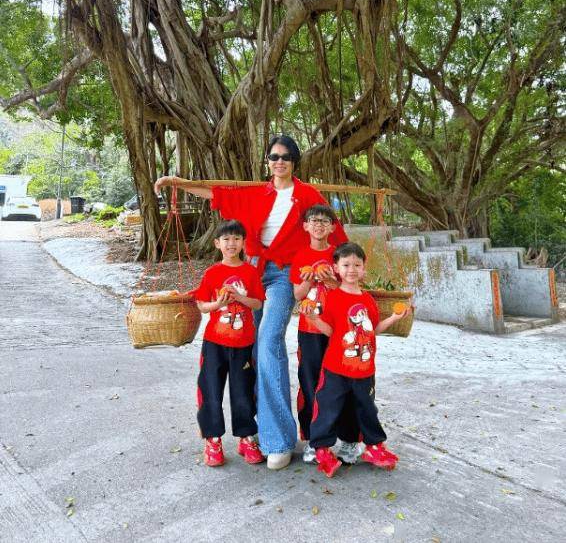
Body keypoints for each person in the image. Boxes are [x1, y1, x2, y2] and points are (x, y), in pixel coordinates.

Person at [155, 134, 347, 470]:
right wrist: (179, 183)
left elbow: (336, 237)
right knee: (250, 350)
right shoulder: (258, 193)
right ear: (267, 161)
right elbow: (217, 194)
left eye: (285, 157)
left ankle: (279, 440)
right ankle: (252, 432)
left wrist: (347, 277)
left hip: (285, 275)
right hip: (253, 272)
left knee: (269, 340)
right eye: (274, 157)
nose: (279, 162)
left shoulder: (308, 195)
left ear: (294, 161)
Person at [303, 242, 410, 478]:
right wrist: (314, 319)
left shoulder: (368, 300)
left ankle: (374, 446)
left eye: (357, 265)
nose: (351, 269)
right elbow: (330, 331)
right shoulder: (333, 297)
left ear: (363, 269)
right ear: (336, 268)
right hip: (336, 369)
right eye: (346, 265)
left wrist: (394, 317)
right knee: (328, 408)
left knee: (367, 409)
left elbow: (374, 329)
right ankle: (321, 448)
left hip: (364, 370)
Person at [289, 204, 360, 465]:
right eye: (314, 221)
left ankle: (349, 440)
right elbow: (298, 295)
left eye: (324, 221)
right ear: (306, 226)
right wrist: (310, 278)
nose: (319, 225)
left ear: (332, 227)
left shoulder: (340, 254)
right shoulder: (300, 255)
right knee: (311, 382)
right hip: (310, 329)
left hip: (340, 328)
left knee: (346, 381)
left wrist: (331, 281)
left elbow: (352, 288)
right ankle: (313, 439)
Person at [194, 219, 265, 467]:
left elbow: (258, 303)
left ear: (244, 243)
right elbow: (202, 305)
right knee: (211, 390)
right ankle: (213, 439)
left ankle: (246, 437)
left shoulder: (250, 272)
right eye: (226, 239)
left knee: (243, 392)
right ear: (217, 243)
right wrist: (219, 304)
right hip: (214, 343)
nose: (231, 243)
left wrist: (241, 298)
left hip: (243, 344)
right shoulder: (212, 273)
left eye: (236, 239)